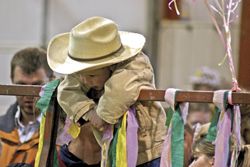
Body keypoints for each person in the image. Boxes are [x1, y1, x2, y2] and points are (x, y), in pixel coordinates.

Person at [47, 16, 167, 166]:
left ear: (110, 65)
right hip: (113, 152)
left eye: (92, 75)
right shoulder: (84, 71)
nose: (85, 81)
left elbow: (120, 88)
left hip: (148, 152)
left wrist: (101, 115)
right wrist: (89, 112)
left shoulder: (136, 65)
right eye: (80, 75)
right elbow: (66, 90)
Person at [0, 47, 54, 166]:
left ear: (52, 80)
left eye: (37, 86)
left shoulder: (64, 135)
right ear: (11, 80)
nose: (28, 95)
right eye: (21, 85)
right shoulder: (1, 131)